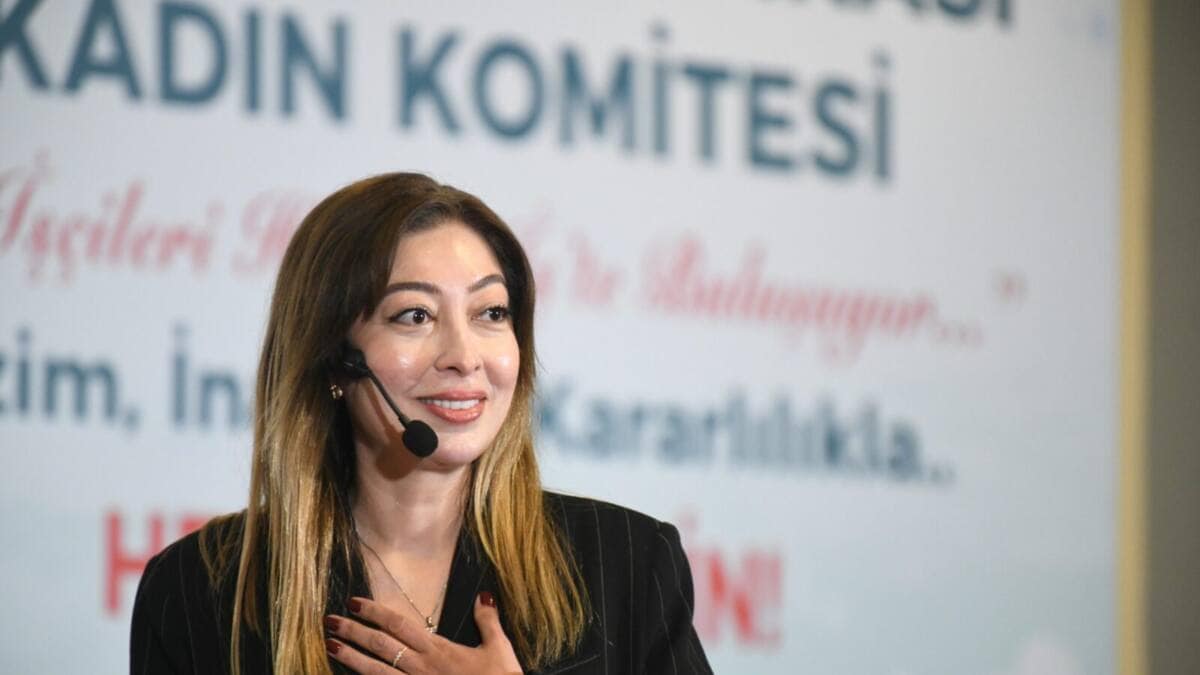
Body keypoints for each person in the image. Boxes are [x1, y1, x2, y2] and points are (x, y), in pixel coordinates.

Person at [130, 173, 713, 674]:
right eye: (415, 315)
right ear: (334, 360)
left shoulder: (628, 564)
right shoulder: (200, 588)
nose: (464, 355)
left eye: (491, 312)